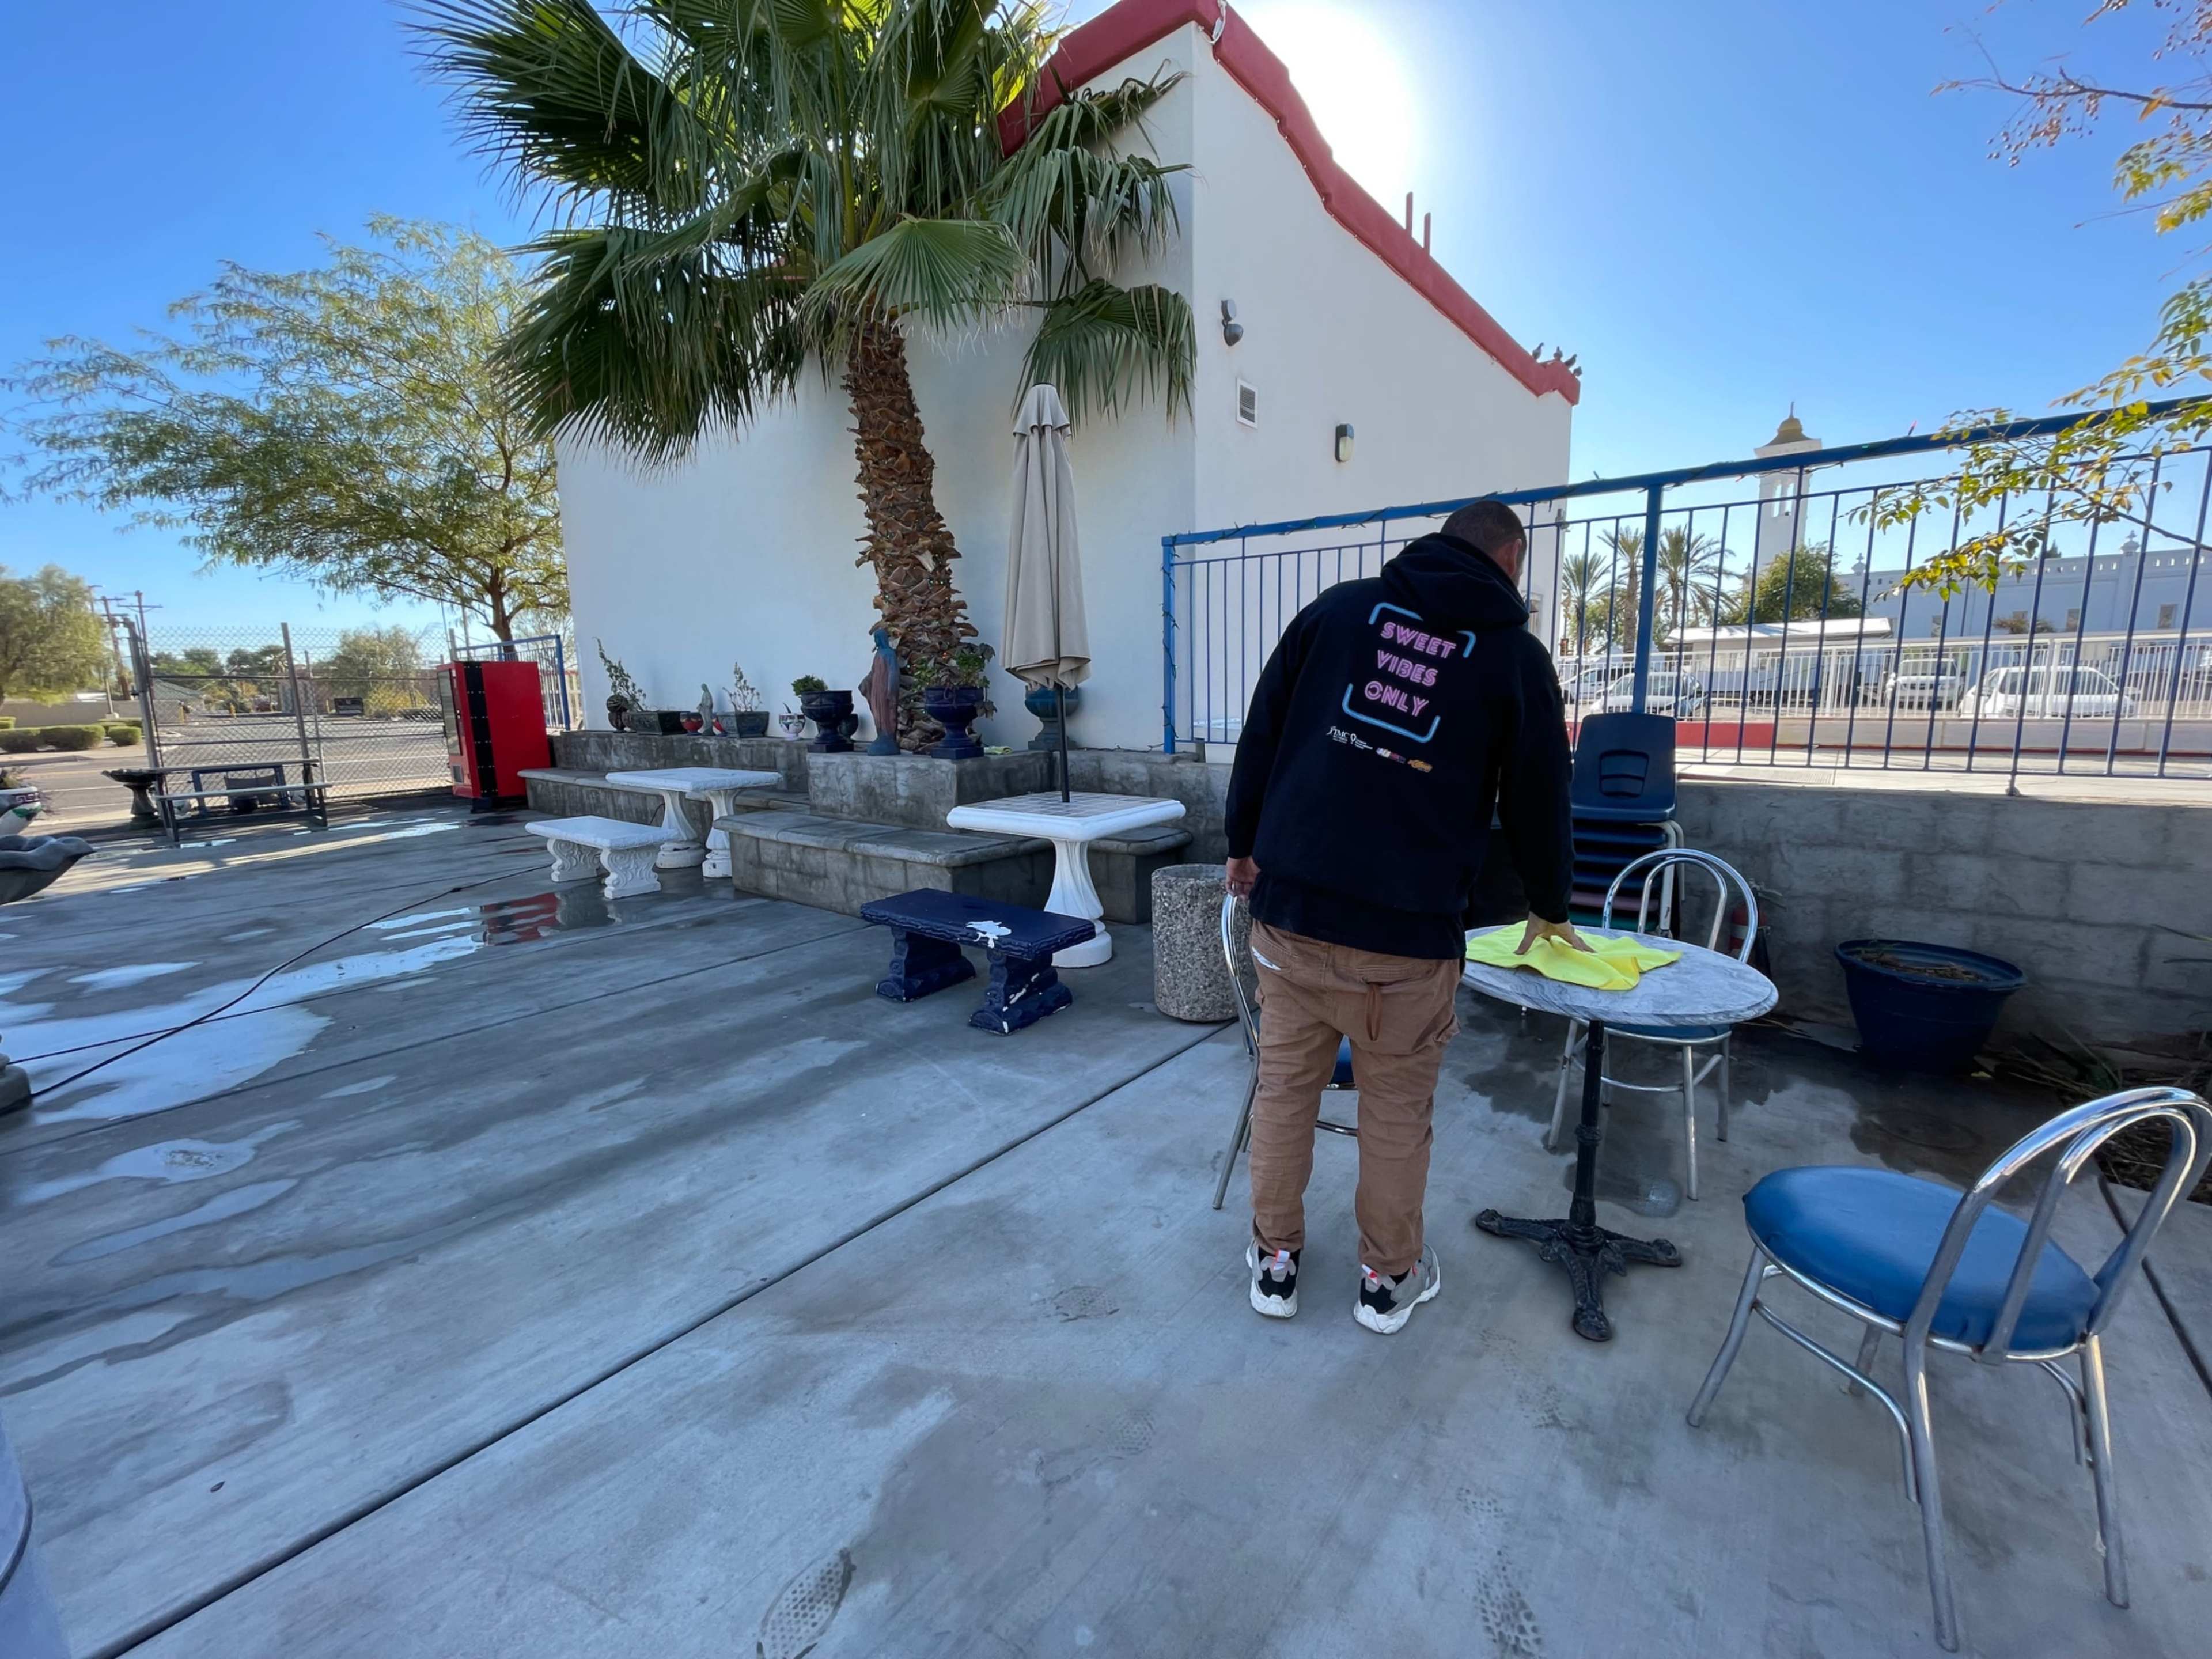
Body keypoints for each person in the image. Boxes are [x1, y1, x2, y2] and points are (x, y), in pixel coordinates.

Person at [1223, 497, 1584, 1334]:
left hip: (1294, 920)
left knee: (1282, 1095)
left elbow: (1262, 734)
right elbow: (1541, 797)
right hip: (1409, 942)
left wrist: (1243, 842)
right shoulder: (1514, 658)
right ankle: (1387, 1282)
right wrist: (1551, 904)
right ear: (1509, 560)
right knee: (1394, 1117)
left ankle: (1274, 1263)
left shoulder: (1337, 611)